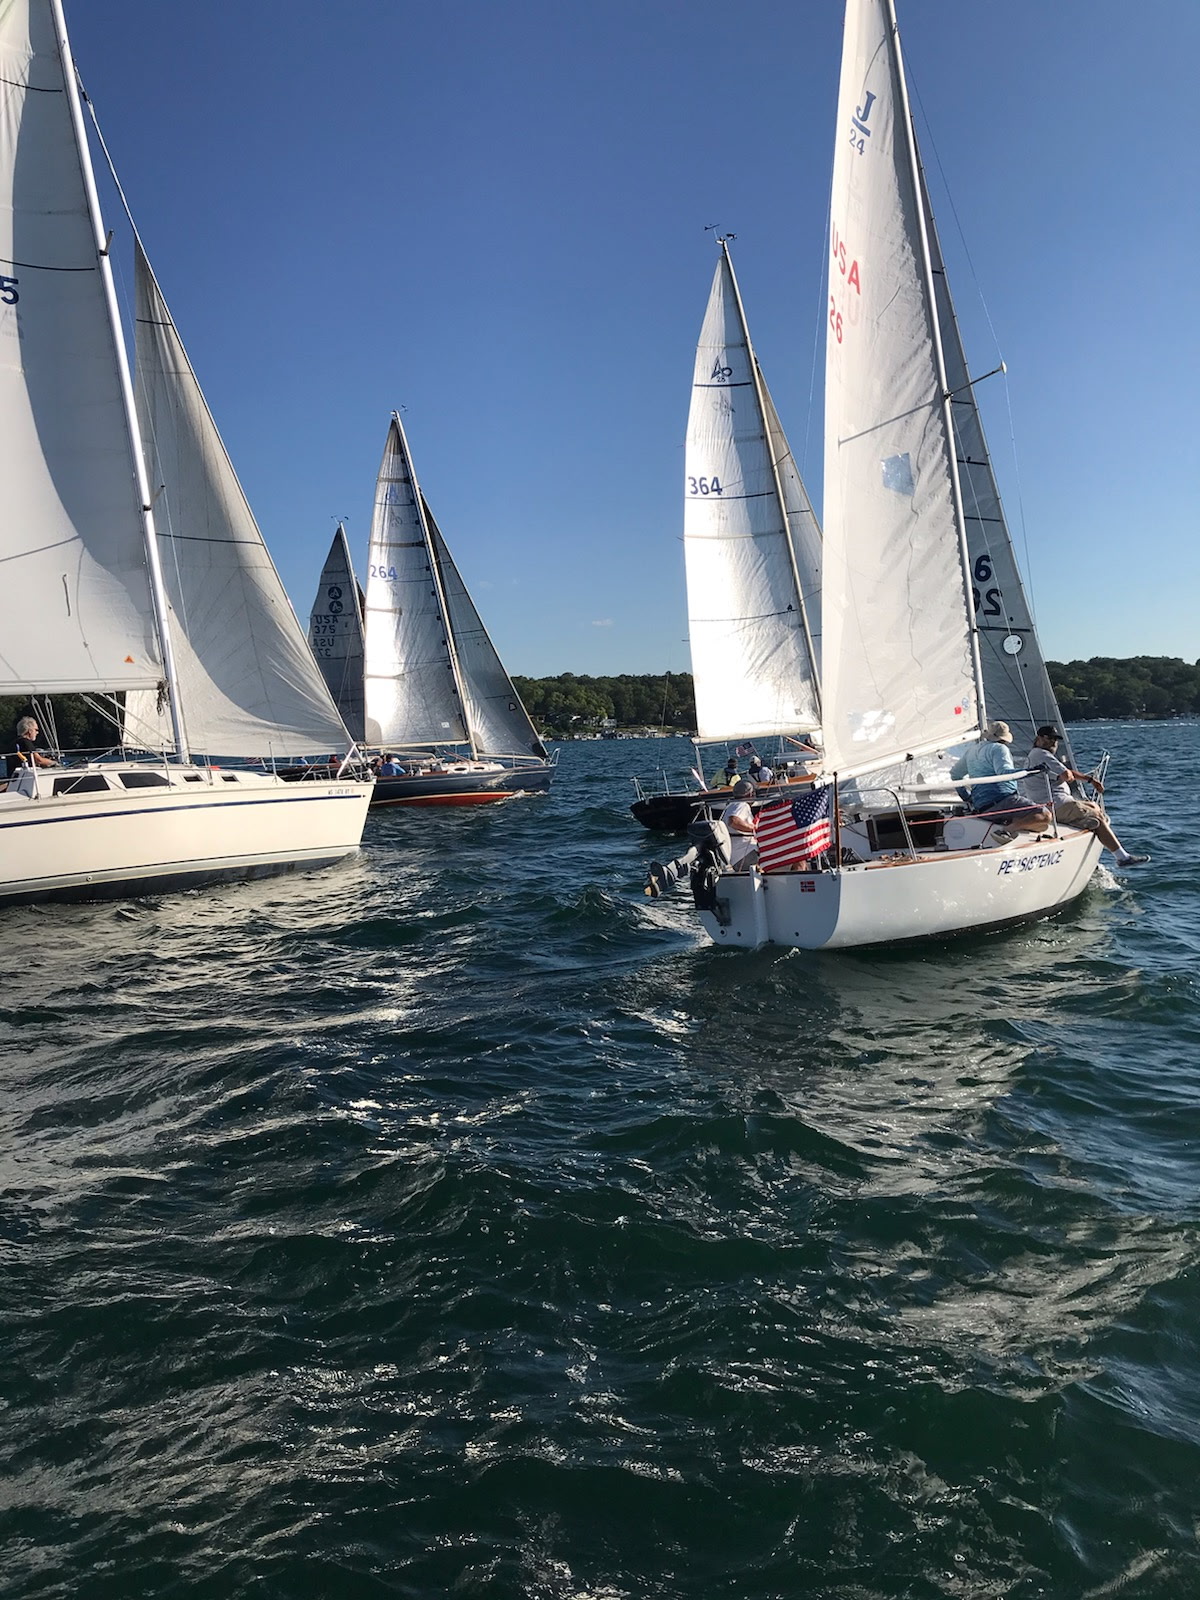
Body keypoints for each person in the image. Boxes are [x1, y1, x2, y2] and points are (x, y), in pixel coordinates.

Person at [1022, 726, 1149, 866]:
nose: (1053, 742)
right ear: (1039, 738)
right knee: (1097, 818)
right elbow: (1066, 775)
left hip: (1058, 803)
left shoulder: (1037, 755)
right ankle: (1122, 857)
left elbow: (1066, 771)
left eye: (1055, 739)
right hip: (1056, 805)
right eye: (1049, 738)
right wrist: (1068, 775)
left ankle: (1103, 848)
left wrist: (1090, 780)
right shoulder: (1042, 754)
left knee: (1094, 806)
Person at [948, 721, 1048, 833]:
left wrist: (967, 798)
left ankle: (1008, 828)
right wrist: (1035, 770)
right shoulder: (999, 748)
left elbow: (955, 774)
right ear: (1005, 739)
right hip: (1003, 801)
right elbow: (1004, 773)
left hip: (982, 808)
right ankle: (1007, 830)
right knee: (1044, 815)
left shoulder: (972, 750)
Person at [6, 715, 56, 780]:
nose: (37, 732)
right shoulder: (25, 742)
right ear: (30, 731)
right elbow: (39, 760)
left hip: (14, 778)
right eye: (36, 730)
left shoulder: (13, 743)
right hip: (24, 779)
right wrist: (54, 763)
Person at [721, 779, 758, 867]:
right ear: (750, 794)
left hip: (736, 857)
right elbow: (733, 821)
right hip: (746, 854)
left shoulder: (731, 806)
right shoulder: (741, 805)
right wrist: (756, 829)